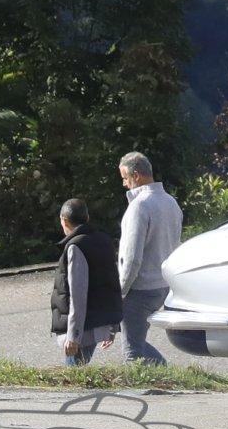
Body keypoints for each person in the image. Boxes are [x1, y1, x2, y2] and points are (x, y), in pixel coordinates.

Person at [106, 151, 183, 364]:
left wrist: (120, 292)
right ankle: (164, 371)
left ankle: (150, 380)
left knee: (132, 352)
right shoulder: (171, 202)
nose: (124, 184)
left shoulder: (139, 206)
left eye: (125, 178)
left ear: (136, 176)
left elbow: (131, 259)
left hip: (140, 288)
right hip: (163, 286)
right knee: (136, 341)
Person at [51, 199, 123, 366]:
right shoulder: (104, 241)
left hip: (83, 331)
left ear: (64, 221)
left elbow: (78, 294)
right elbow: (112, 285)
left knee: (73, 375)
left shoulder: (76, 247)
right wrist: (112, 326)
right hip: (100, 322)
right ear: (87, 217)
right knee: (77, 372)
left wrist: (73, 336)